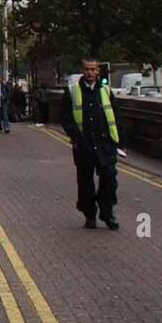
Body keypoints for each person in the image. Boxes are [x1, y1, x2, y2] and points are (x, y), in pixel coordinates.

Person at [61, 58, 120, 230]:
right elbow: (66, 117)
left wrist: (120, 141)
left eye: (93, 69)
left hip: (105, 143)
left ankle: (107, 212)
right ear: (82, 70)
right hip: (84, 143)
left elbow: (116, 116)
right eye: (87, 69)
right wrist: (75, 135)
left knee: (109, 178)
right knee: (85, 183)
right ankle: (90, 215)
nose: (90, 73)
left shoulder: (106, 90)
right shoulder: (72, 91)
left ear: (98, 71)